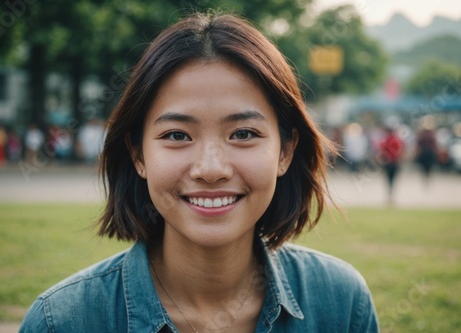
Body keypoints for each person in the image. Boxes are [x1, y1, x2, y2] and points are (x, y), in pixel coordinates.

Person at [19, 13, 379, 332]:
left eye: (243, 134)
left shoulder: (342, 304)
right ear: (138, 154)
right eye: (177, 135)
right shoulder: (62, 321)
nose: (211, 169)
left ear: (285, 151)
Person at [379, 127, 404, 204]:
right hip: (395, 162)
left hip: (388, 162)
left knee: (389, 179)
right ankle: (391, 194)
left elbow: (382, 151)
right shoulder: (397, 140)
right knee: (393, 179)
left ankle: (390, 194)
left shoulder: (386, 140)